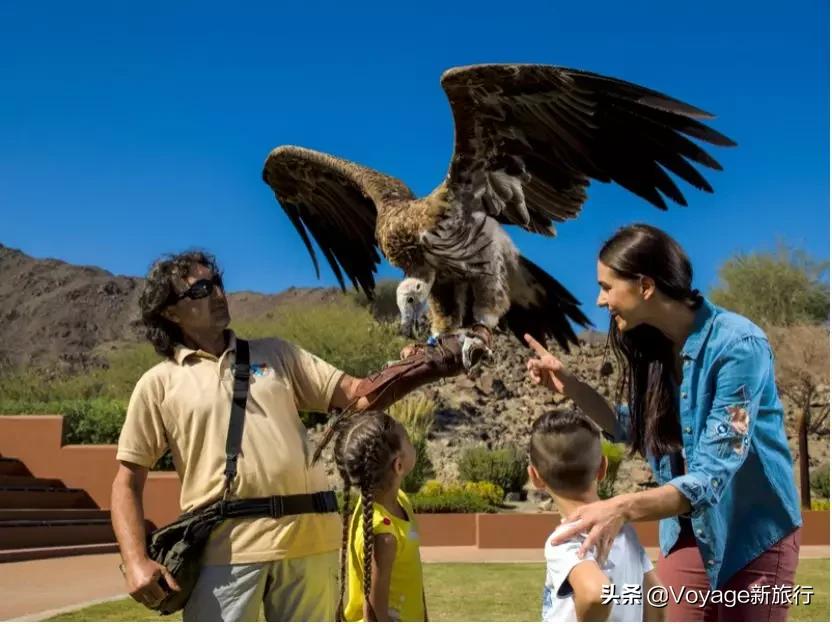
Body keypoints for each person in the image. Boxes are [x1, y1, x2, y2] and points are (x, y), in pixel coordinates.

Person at [111, 250, 457, 621]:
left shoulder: (276, 354)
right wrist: (134, 560)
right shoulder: (158, 384)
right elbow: (127, 482)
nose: (217, 295)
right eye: (200, 290)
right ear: (169, 311)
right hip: (227, 553)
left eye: (218, 284)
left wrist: (426, 365)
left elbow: (358, 395)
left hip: (310, 542)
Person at [525, 224, 802, 621]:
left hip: (753, 534)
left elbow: (712, 473)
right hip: (689, 531)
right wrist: (572, 386)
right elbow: (632, 427)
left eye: (607, 286)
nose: (601, 300)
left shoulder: (739, 346)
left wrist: (619, 506)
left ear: (645, 286)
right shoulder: (651, 345)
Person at [529, 409, 664, 622]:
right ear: (602, 468)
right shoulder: (623, 529)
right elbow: (656, 593)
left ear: (535, 477)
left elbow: (596, 595)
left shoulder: (563, 540)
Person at [332, 410, 427, 622]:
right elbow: (373, 612)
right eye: (408, 440)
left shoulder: (399, 501)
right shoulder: (383, 535)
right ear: (399, 466)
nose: (413, 442)